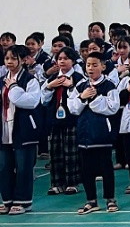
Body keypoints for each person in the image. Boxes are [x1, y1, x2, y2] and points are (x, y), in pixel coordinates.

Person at [69, 53, 121, 215]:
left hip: (102, 134)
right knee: (86, 169)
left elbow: (112, 108)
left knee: (106, 168)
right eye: (88, 65)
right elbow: (73, 108)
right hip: (84, 134)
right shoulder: (80, 86)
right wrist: (82, 97)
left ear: (103, 66)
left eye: (94, 65)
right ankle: (91, 200)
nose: (90, 68)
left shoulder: (109, 86)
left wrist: (95, 98)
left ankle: (110, 198)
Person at [0, 46, 44, 215]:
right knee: (4, 166)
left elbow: (31, 102)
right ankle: (7, 200)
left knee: (23, 167)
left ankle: (23, 201)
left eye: (13, 58)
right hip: (4, 128)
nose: (9, 62)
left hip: (24, 129)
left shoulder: (30, 80)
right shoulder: (2, 80)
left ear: (24, 60)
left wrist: (14, 87)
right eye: (7, 58)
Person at [45, 48, 84, 196]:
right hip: (55, 121)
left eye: (66, 58)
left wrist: (71, 86)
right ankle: (56, 183)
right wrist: (50, 86)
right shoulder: (53, 78)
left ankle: (72, 183)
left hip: (72, 120)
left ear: (73, 61)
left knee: (71, 153)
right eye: (59, 58)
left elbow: (82, 98)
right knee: (55, 153)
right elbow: (43, 99)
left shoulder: (78, 78)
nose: (62, 61)